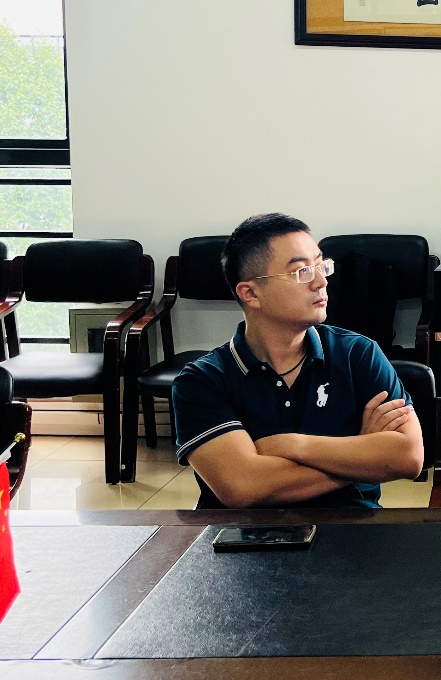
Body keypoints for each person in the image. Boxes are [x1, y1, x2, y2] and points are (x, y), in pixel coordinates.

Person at [172, 213, 424, 508]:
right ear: (250, 293)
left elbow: (408, 457)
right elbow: (244, 487)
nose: (321, 282)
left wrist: (293, 444)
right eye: (302, 271)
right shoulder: (202, 380)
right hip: (247, 532)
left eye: (321, 266)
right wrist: (360, 450)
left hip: (352, 525)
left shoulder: (357, 353)